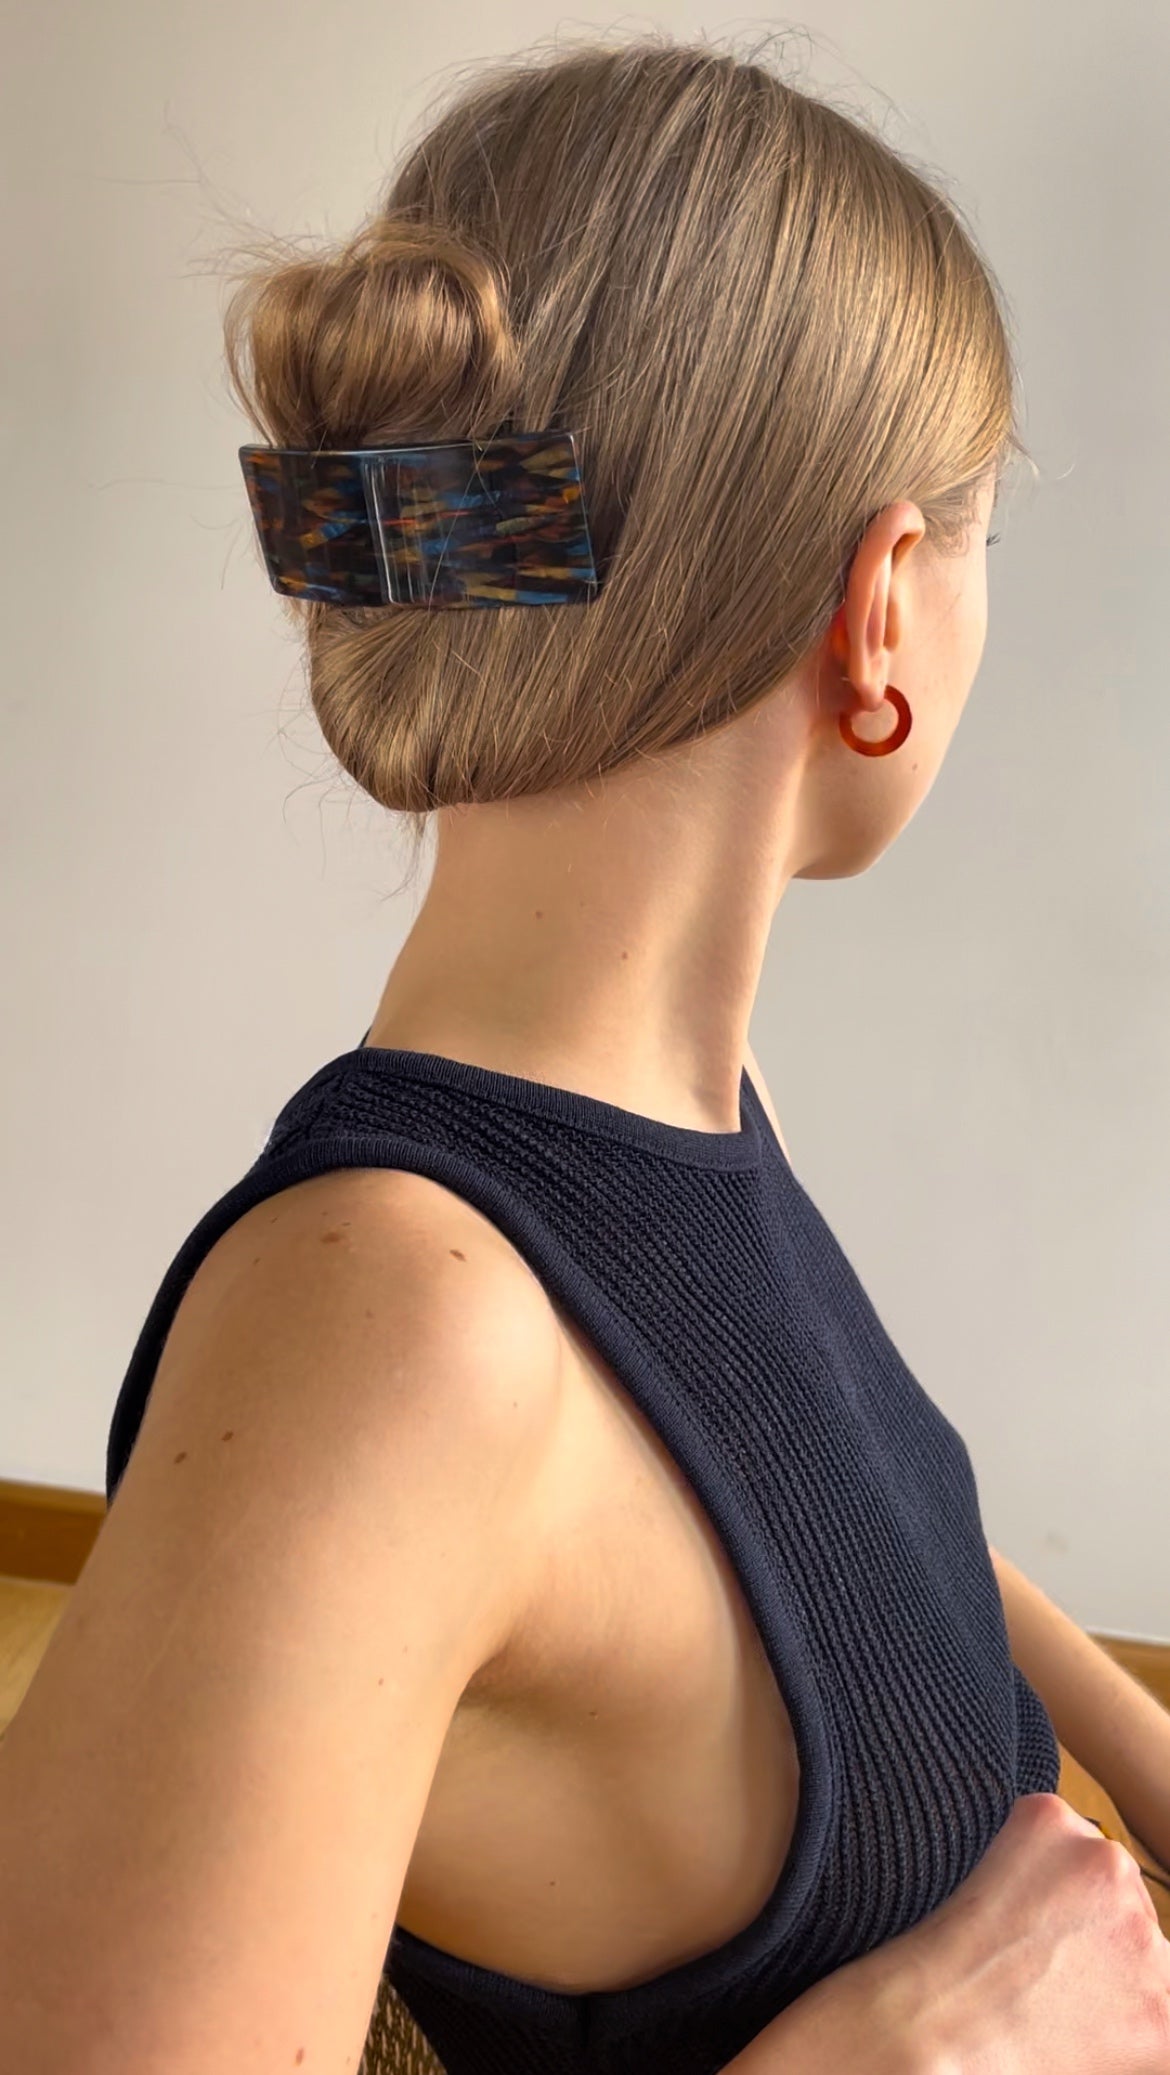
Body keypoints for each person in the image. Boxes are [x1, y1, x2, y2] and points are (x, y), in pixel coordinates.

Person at [3, 31, 1168, 2075]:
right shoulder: (398, 1337)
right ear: (879, 614)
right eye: (983, 528)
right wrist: (918, 2054)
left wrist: (1139, 1751)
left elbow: (848, 1516)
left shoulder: (686, 1114)